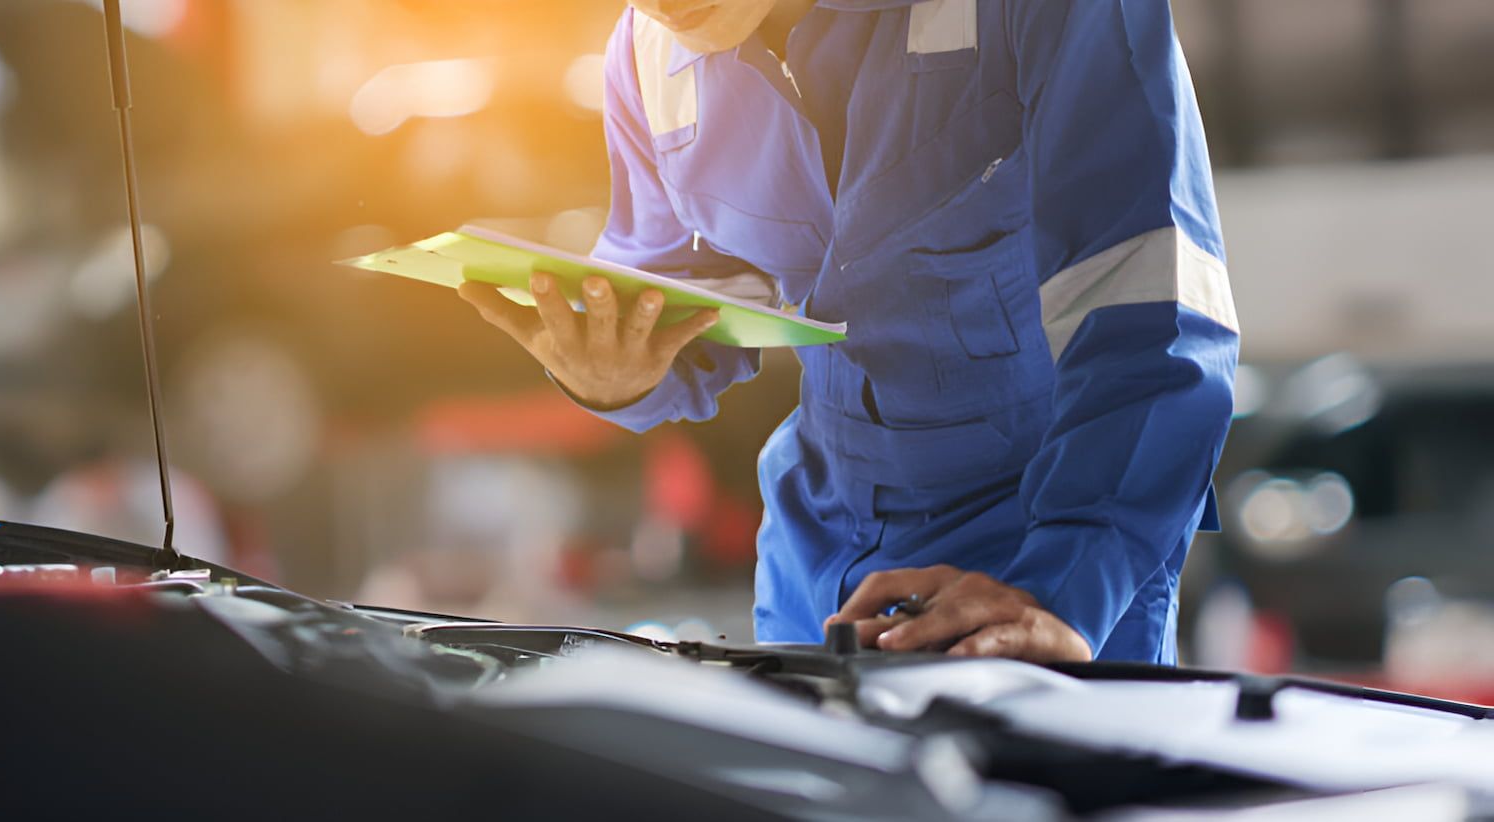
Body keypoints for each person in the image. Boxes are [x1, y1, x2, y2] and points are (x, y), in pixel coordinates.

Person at [459, 0, 1238, 663]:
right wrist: (615, 379)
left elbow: (1153, 309)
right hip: (815, 568)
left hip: (1039, 555)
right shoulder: (648, 52)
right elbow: (680, 304)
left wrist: (1066, 583)